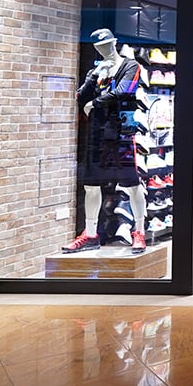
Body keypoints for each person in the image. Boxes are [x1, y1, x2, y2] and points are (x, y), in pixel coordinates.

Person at [65, 29, 150, 255]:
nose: (104, 49)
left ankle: (139, 231)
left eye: (107, 45)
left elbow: (125, 91)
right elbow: (80, 96)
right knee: (91, 186)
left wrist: (95, 103)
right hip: (97, 133)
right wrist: (94, 77)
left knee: (131, 184)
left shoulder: (130, 66)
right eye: (99, 46)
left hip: (121, 132)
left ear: (115, 43)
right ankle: (91, 233)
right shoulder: (97, 70)